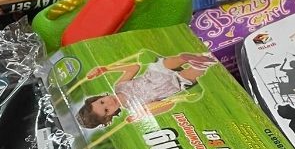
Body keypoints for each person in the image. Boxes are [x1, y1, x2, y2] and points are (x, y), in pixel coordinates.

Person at [77, 51, 215, 129]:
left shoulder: (118, 86)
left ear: (100, 97)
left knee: (164, 64)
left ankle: (186, 58)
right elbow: (169, 104)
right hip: (166, 87)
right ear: (110, 116)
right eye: (106, 110)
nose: (109, 103)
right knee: (185, 77)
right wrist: (144, 113)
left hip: (155, 74)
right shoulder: (135, 108)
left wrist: (107, 69)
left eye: (102, 102)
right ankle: (202, 64)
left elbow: (134, 68)